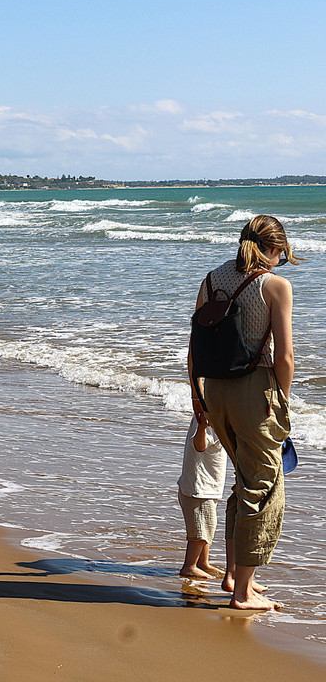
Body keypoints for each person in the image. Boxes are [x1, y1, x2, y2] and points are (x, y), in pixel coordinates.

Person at [189, 215, 297, 611]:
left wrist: (199, 399)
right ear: (274, 249)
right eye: (282, 255)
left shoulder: (212, 279)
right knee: (265, 486)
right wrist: (280, 401)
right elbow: (284, 357)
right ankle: (242, 592)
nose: (281, 262)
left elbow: (194, 346)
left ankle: (235, 576)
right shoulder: (275, 285)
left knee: (244, 480)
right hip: (255, 390)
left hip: (215, 389)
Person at [177, 412, 226, 579]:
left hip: (206, 486)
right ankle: (189, 566)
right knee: (201, 532)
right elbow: (199, 445)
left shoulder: (215, 416)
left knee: (207, 527)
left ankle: (202, 562)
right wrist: (203, 428)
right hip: (199, 489)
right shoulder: (207, 419)